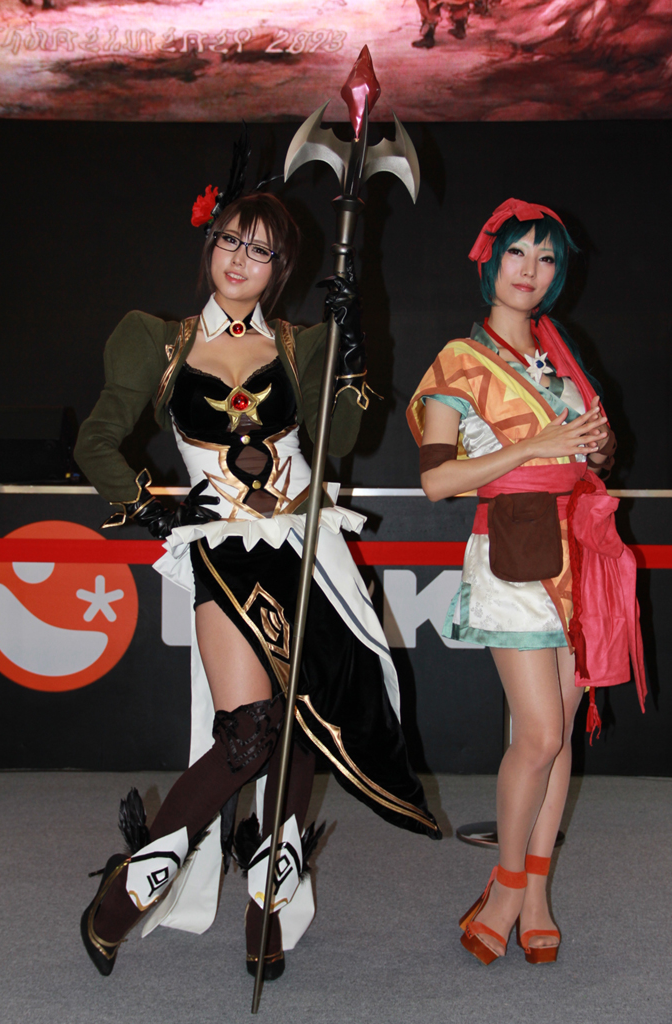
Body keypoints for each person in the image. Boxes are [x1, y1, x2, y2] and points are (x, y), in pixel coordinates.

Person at [75, 171, 441, 982]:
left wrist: (350, 355)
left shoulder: (300, 344)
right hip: (223, 549)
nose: (241, 259)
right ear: (209, 245)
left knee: (301, 727)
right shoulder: (156, 339)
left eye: (263, 251)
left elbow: (339, 439)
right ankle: (126, 892)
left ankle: (265, 911)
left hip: (308, 549)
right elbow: (97, 439)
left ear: (282, 269)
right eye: (231, 241)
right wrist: (148, 507)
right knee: (247, 735)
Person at [407, 198, 645, 965]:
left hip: (581, 550)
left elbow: (590, 456)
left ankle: (533, 891)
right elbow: (436, 482)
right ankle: (506, 886)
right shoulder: (457, 360)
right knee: (537, 733)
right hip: (512, 550)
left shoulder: (559, 353)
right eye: (517, 253)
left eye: (546, 259)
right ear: (490, 261)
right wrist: (532, 447)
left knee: (560, 733)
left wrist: (594, 449)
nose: (530, 271)